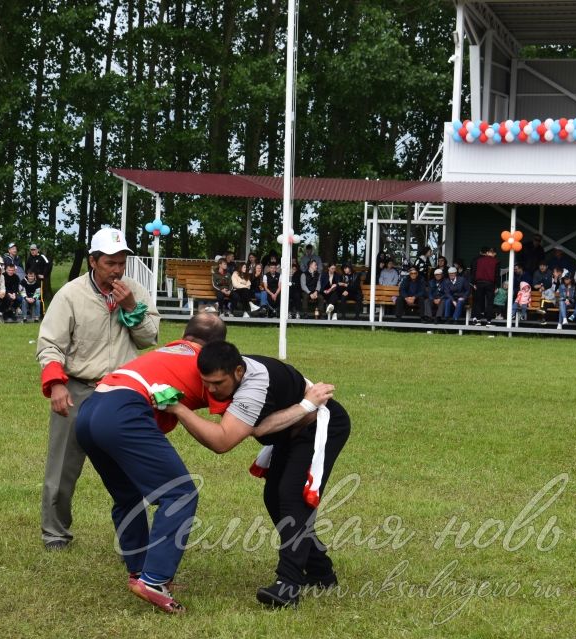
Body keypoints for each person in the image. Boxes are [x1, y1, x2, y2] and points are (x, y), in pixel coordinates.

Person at [165, 341, 350, 609]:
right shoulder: (228, 374)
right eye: (206, 382)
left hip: (320, 425)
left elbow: (256, 431)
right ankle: (321, 572)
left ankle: (288, 585)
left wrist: (308, 406)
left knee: (291, 496)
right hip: (292, 430)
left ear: (238, 371)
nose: (211, 389)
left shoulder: (254, 385)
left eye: (218, 383)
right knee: (274, 497)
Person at [75, 314, 229, 614]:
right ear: (217, 347)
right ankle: (154, 579)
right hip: (123, 410)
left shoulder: (167, 351)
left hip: (90, 409)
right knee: (180, 493)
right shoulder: (209, 364)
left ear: (185, 335)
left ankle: (139, 571)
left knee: (127, 496)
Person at [36, 227, 160, 551]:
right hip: (77, 388)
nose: (117, 270)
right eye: (110, 263)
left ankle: (133, 544)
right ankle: (55, 536)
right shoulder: (71, 295)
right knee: (62, 468)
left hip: (121, 391)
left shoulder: (134, 291)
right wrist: (57, 384)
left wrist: (132, 307)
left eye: (121, 263)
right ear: (93, 261)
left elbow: (149, 338)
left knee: (128, 470)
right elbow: (49, 345)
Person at [470, 247, 499, 325]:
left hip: (479, 283)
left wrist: (474, 283)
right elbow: (496, 275)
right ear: (494, 253)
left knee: (478, 301)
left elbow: (474, 272)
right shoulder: (496, 261)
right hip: (490, 283)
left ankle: (478, 320)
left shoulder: (478, 260)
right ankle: (489, 321)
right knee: (490, 302)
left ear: (487, 253)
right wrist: (496, 286)